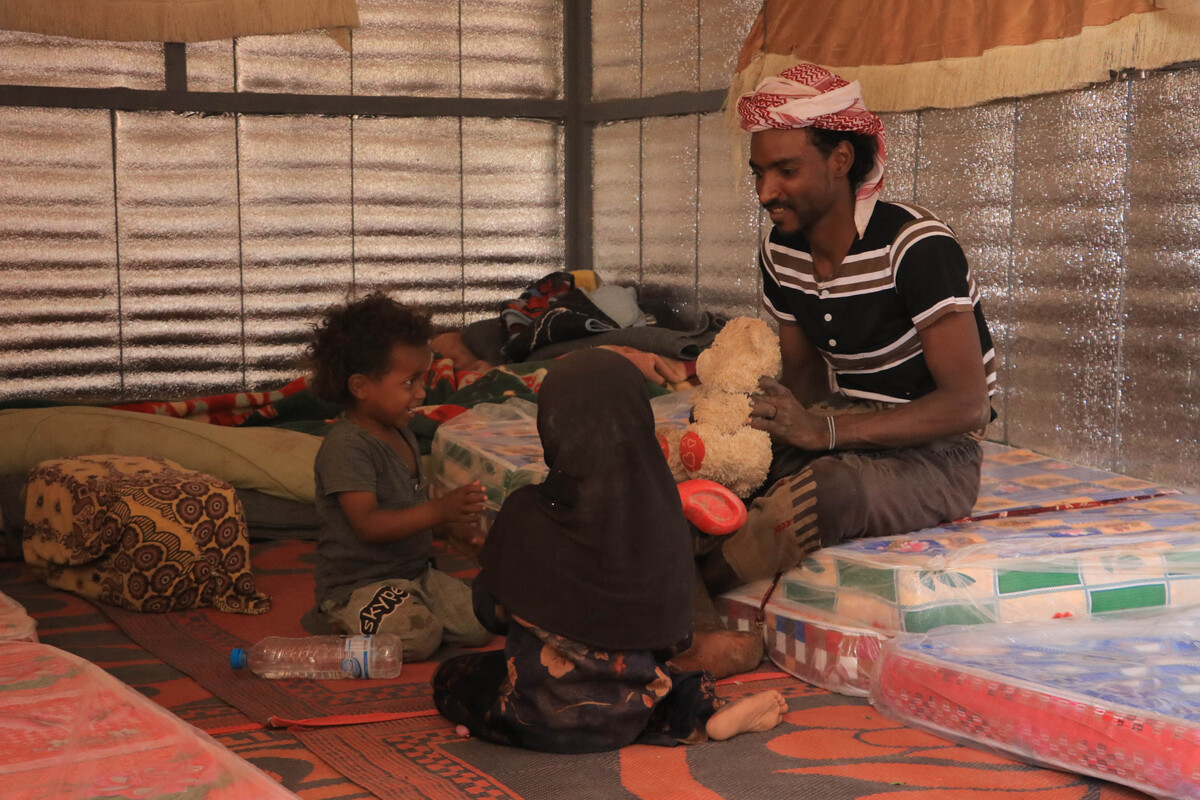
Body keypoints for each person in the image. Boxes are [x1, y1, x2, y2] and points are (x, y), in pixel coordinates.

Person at [698, 63, 997, 596]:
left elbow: (966, 407)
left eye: (785, 171)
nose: (766, 191)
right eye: (758, 173)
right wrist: (738, 425)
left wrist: (826, 434)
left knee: (828, 493)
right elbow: (806, 388)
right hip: (845, 428)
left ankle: (680, 595)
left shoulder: (916, 247)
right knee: (727, 472)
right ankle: (647, 564)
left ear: (841, 160)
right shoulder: (780, 251)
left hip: (937, 456)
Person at [432, 348, 786, 752]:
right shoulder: (662, 515)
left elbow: (489, 615)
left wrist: (490, 560)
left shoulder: (525, 511)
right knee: (669, 677)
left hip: (536, 716)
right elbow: (675, 637)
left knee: (454, 677)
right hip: (630, 712)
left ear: (552, 425)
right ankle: (702, 711)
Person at [306, 291, 492, 661]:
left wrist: (453, 529)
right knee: (417, 639)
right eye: (409, 383)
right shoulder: (347, 446)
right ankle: (343, 617)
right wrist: (439, 511)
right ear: (360, 387)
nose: (422, 393)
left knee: (480, 621)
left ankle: (409, 609)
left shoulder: (402, 430)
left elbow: (412, 510)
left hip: (415, 573)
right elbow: (369, 525)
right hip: (360, 584)